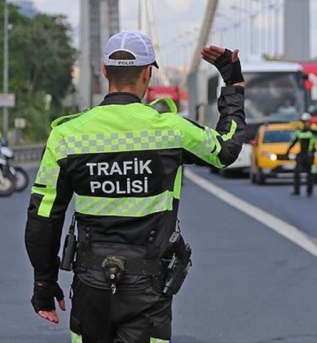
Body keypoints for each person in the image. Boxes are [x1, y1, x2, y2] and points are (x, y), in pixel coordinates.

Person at [24, 30, 246, 343]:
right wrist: (232, 84)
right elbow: (227, 149)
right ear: (147, 73)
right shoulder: (170, 129)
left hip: (90, 284)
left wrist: (43, 284)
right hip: (148, 286)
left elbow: (43, 217)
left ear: (104, 72)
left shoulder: (67, 136)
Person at [286, 112, 317, 197]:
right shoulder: (299, 132)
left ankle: (309, 191)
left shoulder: (313, 129)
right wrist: (288, 151)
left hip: (310, 155)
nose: (305, 123)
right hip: (301, 155)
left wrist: (308, 129)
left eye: (307, 121)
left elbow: (315, 132)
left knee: (310, 174)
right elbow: (293, 142)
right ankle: (297, 191)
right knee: (297, 172)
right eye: (304, 122)